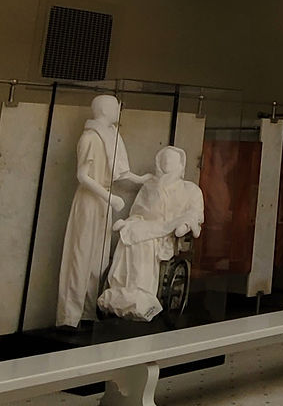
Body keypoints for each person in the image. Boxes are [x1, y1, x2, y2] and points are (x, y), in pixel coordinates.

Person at [56, 96, 148, 328]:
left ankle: (87, 312)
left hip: (104, 203)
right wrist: (110, 198)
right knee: (80, 257)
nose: (119, 110)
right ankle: (69, 317)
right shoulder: (89, 138)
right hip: (90, 201)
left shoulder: (111, 136)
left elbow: (120, 171)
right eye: (116, 106)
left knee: (98, 259)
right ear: (106, 110)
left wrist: (141, 180)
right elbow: (82, 176)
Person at [98, 147, 204, 322]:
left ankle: (141, 292)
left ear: (180, 164)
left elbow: (195, 214)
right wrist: (130, 222)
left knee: (146, 242)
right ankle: (122, 290)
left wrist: (184, 225)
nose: (167, 163)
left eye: (171, 160)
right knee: (129, 236)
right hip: (146, 224)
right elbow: (138, 211)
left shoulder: (190, 189)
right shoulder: (149, 186)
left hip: (167, 232)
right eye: (164, 159)